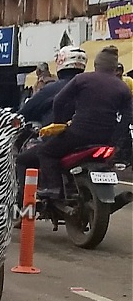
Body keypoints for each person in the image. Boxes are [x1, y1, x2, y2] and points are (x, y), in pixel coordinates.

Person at [36, 45, 133, 198]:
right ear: (115, 68)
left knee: (45, 152)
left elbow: (59, 101)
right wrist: (115, 141)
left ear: (96, 64)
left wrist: (59, 124)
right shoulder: (123, 88)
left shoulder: (82, 79)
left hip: (77, 135)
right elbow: (127, 117)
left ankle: (52, 188)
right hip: (105, 139)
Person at [15, 45, 87, 210]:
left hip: (63, 139)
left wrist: (15, 118)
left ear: (61, 62)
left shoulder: (53, 88)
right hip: (93, 138)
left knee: (23, 160)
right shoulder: (89, 86)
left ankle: (23, 206)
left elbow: (27, 110)